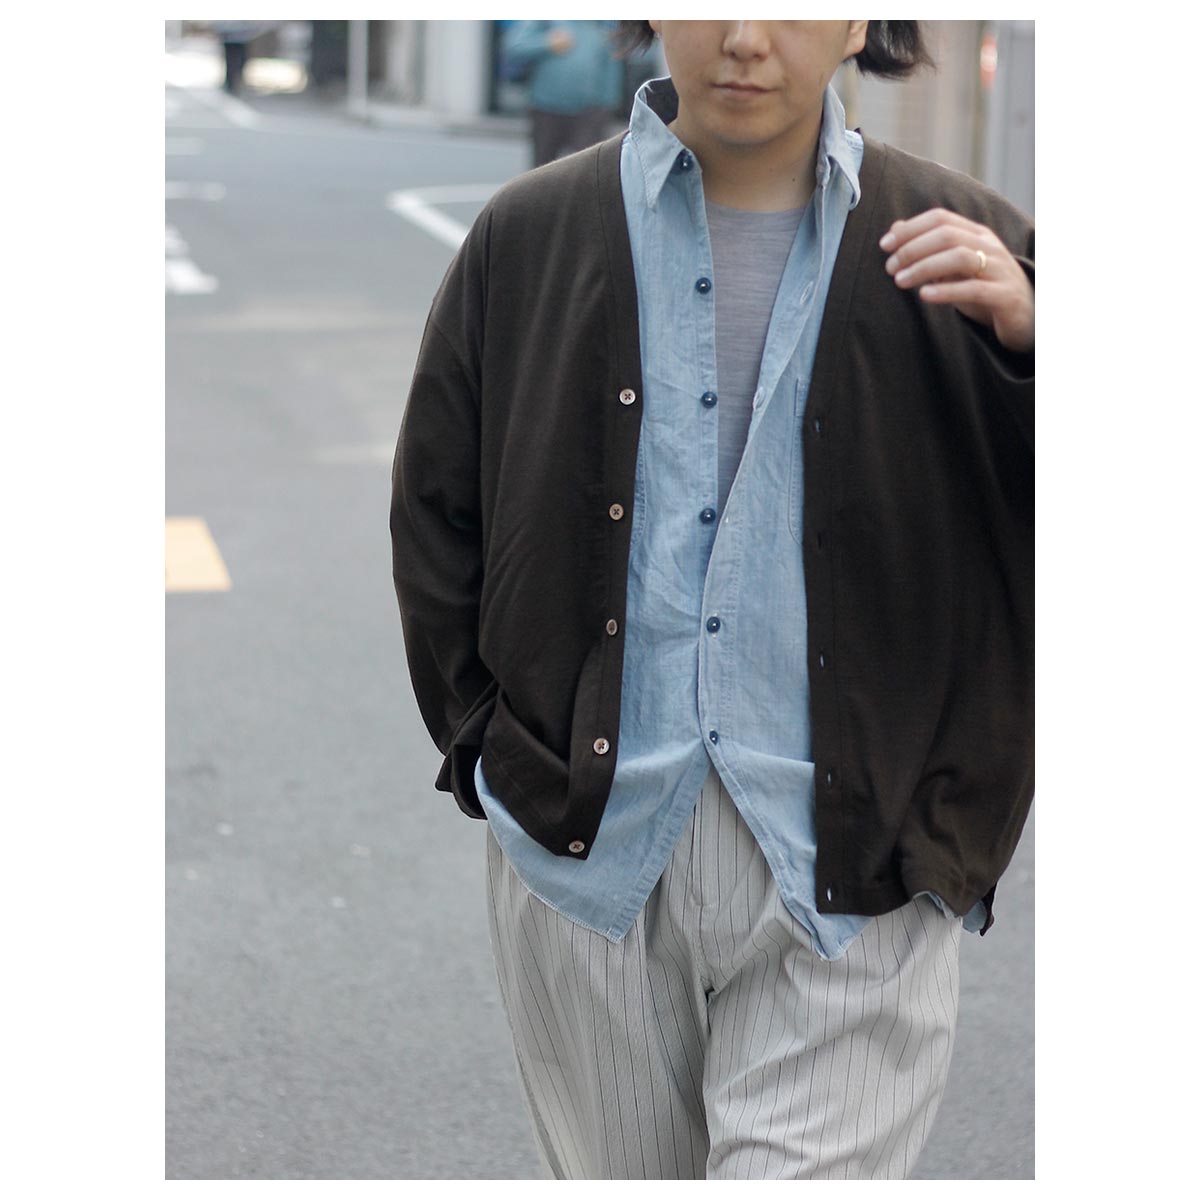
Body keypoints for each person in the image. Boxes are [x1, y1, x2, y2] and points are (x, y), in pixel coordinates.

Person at [390, 19, 1033, 1180]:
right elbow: (439, 510)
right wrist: (496, 751)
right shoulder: (529, 233)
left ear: (859, 19)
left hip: (860, 865)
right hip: (587, 855)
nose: (743, 35)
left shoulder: (973, 244)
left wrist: (1047, 350)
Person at [500, 20, 625, 167]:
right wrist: (547, 43)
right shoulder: (545, 21)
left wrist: (606, 106)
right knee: (543, 170)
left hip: (588, 112)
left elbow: (611, 68)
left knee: (589, 168)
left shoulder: (601, 25)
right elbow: (514, 47)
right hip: (546, 109)